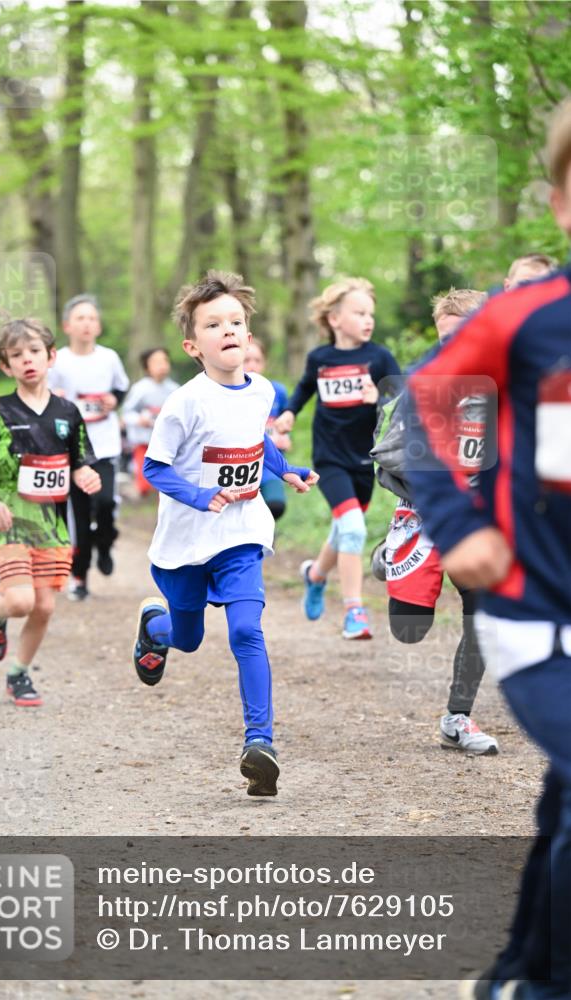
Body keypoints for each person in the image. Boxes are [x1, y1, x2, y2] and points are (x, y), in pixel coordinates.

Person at [407, 99, 571, 1000]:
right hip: (530, 607)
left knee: (564, 801)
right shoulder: (526, 317)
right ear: (559, 203)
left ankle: (517, 973)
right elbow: (428, 409)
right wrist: (461, 525)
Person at [131, 271, 318, 797]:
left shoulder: (262, 391)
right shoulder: (185, 403)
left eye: (236, 321)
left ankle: (260, 744)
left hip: (240, 533)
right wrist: (199, 495)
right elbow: (155, 467)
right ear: (193, 345)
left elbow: (256, 442)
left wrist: (288, 470)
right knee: (187, 639)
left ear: (249, 335)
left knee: (245, 632)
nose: (228, 329)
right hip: (187, 542)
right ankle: (155, 628)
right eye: (214, 324)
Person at [372, 289, 499, 754]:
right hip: (423, 518)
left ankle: (457, 717)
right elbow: (387, 463)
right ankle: (386, 556)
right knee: (409, 630)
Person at [0, 318, 100, 707]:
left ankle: (18, 673)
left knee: (43, 607)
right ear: (6, 366)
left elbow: (78, 462)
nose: (27, 360)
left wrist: (85, 474)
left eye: (34, 352)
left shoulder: (68, 412)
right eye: (16, 355)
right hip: (11, 522)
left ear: (51, 356)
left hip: (51, 525)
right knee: (20, 602)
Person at [275, 277, 400, 639]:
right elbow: (303, 390)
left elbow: (401, 397)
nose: (368, 320)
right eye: (359, 313)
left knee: (344, 529)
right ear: (334, 319)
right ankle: (354, 611)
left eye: (370, 314)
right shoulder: (321, 358)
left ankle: (315, 575)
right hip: (329, 459)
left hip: (364, 459)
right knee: (354, 529)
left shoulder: (378, 357)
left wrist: (377, 396)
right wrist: (288, 413)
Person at [48, 294, 129, 600]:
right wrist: (53, 396)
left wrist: (113, 400)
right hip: (72, 449)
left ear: (98, 326)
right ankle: (79, 576)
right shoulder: (58, 361)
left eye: (92, 318)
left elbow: (121, 387)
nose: (86, 323)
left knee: (106, 503)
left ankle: (105, 543)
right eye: (80, 318)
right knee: (79, 517)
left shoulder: (109, 357)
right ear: (67, 325)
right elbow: (42, 395)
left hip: (105, 445)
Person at [244, 337, 291, 521]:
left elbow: (284, 421)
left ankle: (266, 540)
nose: (252, 366)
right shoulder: (228, 392)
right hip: (241, 465)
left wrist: (287, 437)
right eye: (247, 361)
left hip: (271, 464)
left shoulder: (277, 391)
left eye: (257, 360)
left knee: (275, 504)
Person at [122, 347, 179, 497]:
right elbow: (127, 412)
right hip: (144, 441)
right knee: (144, 479)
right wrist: (138, 419)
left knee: (167, 476)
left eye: (164, 361)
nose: (162, 366)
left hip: (166, 442)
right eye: (156, 362)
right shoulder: (140, 389)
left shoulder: (174, 389)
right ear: (147, 367)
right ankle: (139, 491)